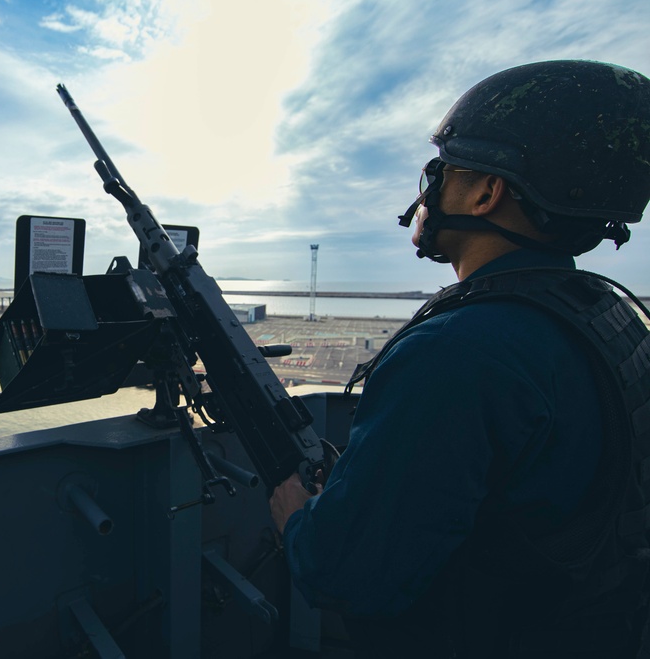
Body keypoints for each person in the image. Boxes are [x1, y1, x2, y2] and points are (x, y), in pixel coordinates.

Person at [270, 59, 650, 658]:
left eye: (441, 169)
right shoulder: (606, 314)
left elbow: (344, 574)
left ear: (486, 193)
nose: (427, 189)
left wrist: (297, 518)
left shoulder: (459, 353)